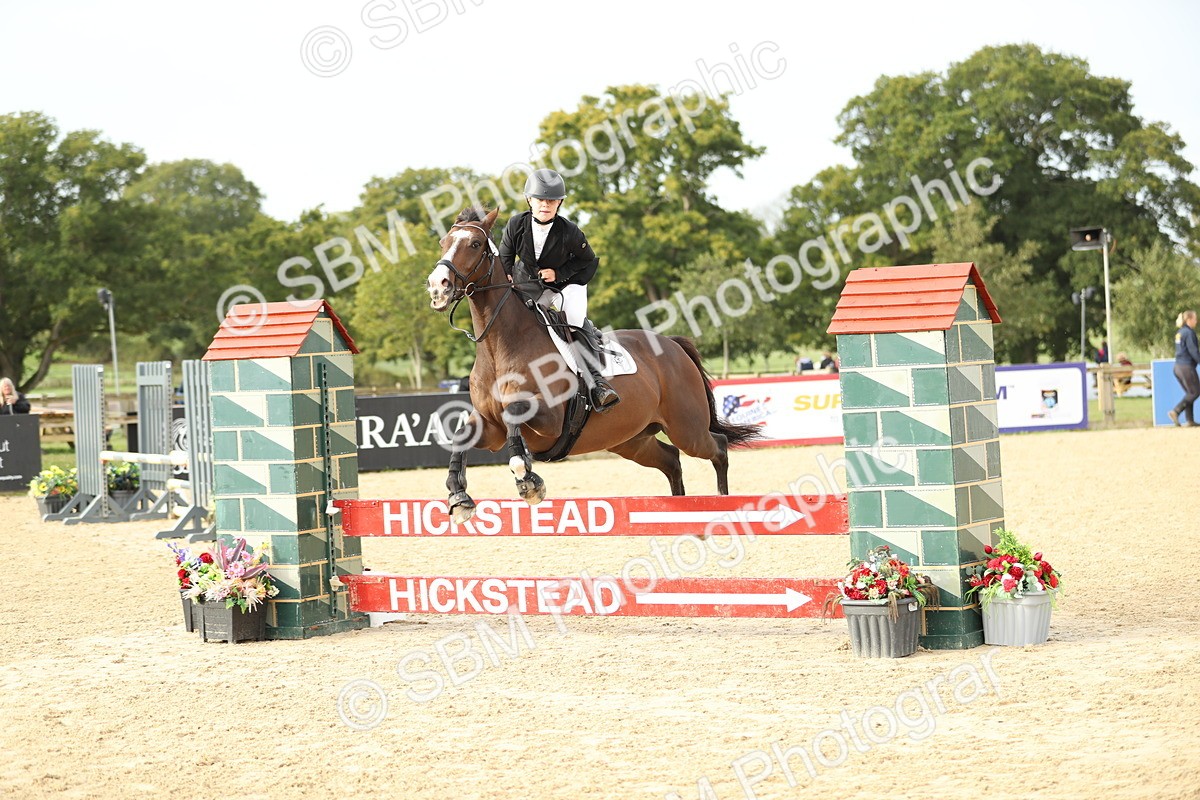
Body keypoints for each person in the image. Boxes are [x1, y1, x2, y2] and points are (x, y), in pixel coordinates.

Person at [499, 168, 619, 411]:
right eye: (540, 199)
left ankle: (597, 383)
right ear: (529, 200)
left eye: (552, 200)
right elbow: (505, 257)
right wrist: (508, 277)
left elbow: (588, 259)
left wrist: (559, 274)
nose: (546, 204)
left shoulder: (569, 231)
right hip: (529, 284)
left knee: (573, 319)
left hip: (567, 284)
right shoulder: (516, 224)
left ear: (560, 203)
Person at [1168, 310, 1200, 427]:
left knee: (1190, 392)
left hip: (1178, 367)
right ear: (1189, 320)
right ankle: (1176, 411)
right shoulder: (1189, 333)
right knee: (1195, 392)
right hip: (1186, 366)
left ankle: (1190, 420)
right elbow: (1193, 351)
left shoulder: (1180, 332)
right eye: (1195, 319)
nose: (1196, 321)